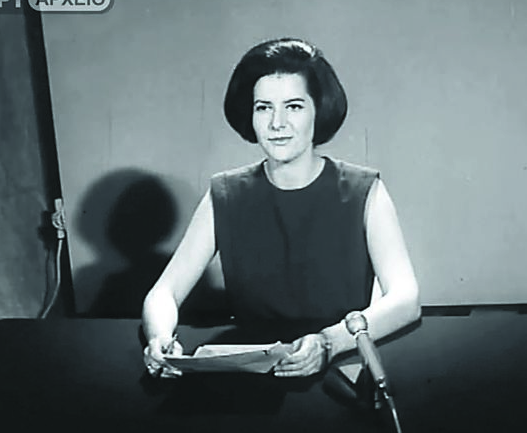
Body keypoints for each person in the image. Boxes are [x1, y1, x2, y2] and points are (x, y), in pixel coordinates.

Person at [142, 37, 420, 379]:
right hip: (253, 376)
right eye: (263, 107)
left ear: (319, 110)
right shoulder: (227, 193)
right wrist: (160, 338)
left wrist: (328, 343)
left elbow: (406, 299)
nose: (277, 123)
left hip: (341, 370)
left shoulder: (364, 190)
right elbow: (164, 292)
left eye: (294, 106)